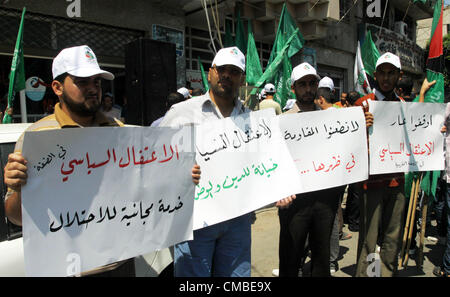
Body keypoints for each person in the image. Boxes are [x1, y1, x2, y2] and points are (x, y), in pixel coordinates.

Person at [2, 45, 201, 277]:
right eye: (82, 82)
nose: (93, 89)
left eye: (96, 82)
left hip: (122, 267)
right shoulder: (35, 140)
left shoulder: (120, 131)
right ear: (57, 87)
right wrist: (19, 189)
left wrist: (182, 177)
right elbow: (16, 217)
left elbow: (147, 186)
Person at [159, 46, 294, 277]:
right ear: (211, 72)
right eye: (221, 69)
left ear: (241, 78)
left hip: (238, 222)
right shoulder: (181, 113)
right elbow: (157, 161)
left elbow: (265, 164)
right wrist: (178, 171)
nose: (226, 75)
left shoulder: (253, 120)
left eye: (234, 71)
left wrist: (281, 189)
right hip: (195, 222)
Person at [279, 62, 342, 277]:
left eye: (312, 83)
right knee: (291, 255)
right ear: (293, 88)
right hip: (294, 201)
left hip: (325, 199)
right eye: (302, 84)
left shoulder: (331, 119)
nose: (308, 88)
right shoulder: (282, 122)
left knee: (321, 258)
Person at [354, 52, 406, 277]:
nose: (386, 78)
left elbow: (414, 139)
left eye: (391, 73)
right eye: (382, 73)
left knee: (393, 235)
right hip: (371, 184)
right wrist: (359, 127)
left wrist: (433, 133)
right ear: (375, 75)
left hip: (397, 182)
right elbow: (344, 143)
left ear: (398, 76)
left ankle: (385, 272)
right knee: (370, 237)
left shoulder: (404, 105)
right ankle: (368, 275)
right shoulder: (362, 104)